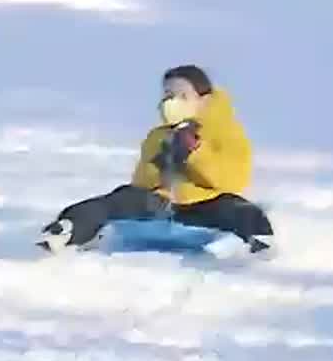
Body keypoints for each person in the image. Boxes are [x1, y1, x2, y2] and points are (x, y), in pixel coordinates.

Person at [37, 65, 274, 253]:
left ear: (205, 100)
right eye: (169, 95)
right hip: (161, 202)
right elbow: (141, 181)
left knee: (236, 208)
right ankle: (67, 230)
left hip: (205, 202)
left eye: (183, 96)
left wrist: (196, 154)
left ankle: (260, 239)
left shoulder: (226, 132)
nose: (172, 102)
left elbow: (232, 180)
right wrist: (160, 165)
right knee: (118, 199)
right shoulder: (159, 135)